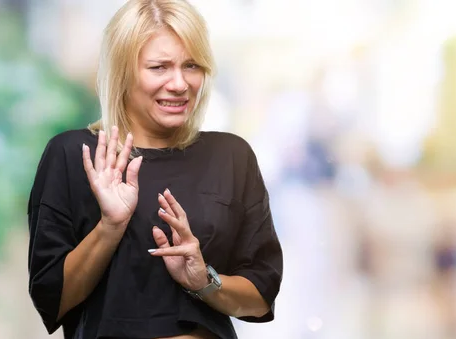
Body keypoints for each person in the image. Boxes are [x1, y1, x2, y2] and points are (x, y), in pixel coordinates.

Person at [26, 1, 283, 338]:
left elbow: (261, 299)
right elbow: (52, 300)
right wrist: (110, 227)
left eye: (191, 65)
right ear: (123, 71)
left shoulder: (232, 156)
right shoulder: (75, 155)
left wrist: (204, 280)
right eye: (159, 67)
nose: (179, 83)